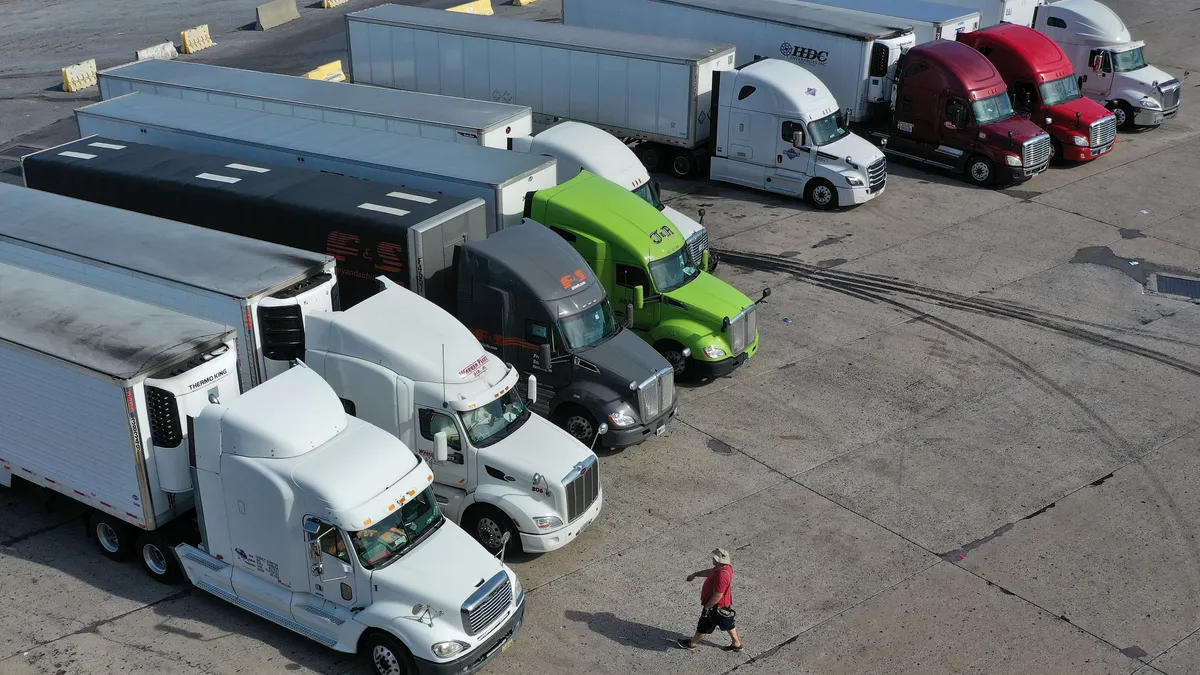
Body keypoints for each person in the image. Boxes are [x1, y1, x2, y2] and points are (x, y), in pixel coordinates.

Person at [677, 547, 743, 652]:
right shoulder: (723, 568)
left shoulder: (722, 575)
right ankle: (736, 644)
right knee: (728, 623)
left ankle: (691, 644)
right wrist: (695, 574)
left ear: (718, 560)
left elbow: (717, 595)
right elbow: (710, 572)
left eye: (713, 558)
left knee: (703, 625)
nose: (712, 559)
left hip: (715, 606)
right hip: (723, 606)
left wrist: (707, 608)